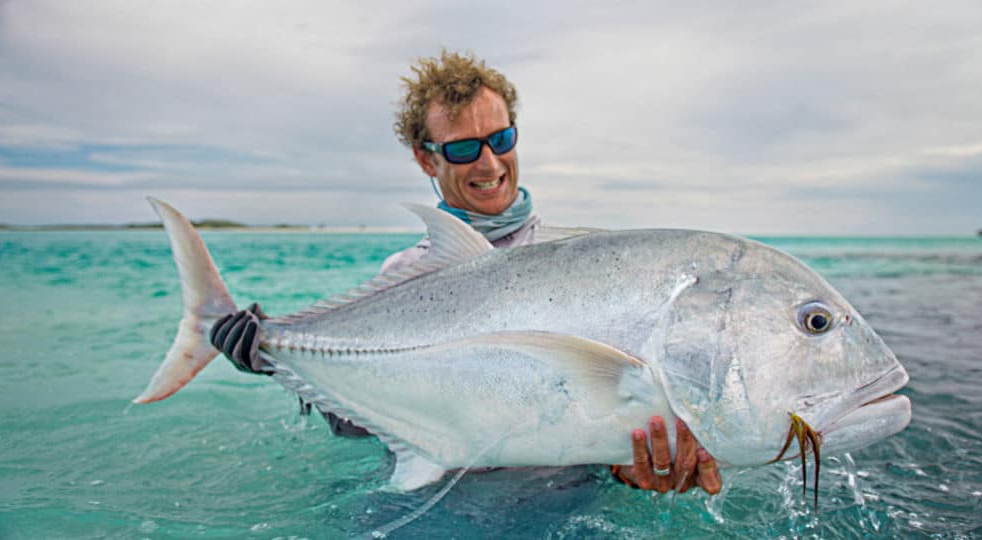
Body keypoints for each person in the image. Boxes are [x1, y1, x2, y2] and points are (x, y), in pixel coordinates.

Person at [210, 50, 722, 496]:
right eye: (461, 148)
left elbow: (603, 418)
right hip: (444, 497)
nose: (488, 161)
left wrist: (635, 467)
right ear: (425, 160)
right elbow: (357, 423)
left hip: (562, 499)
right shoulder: (408, 273)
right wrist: (272, 356)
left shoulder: (588, 261)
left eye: (500, 138)